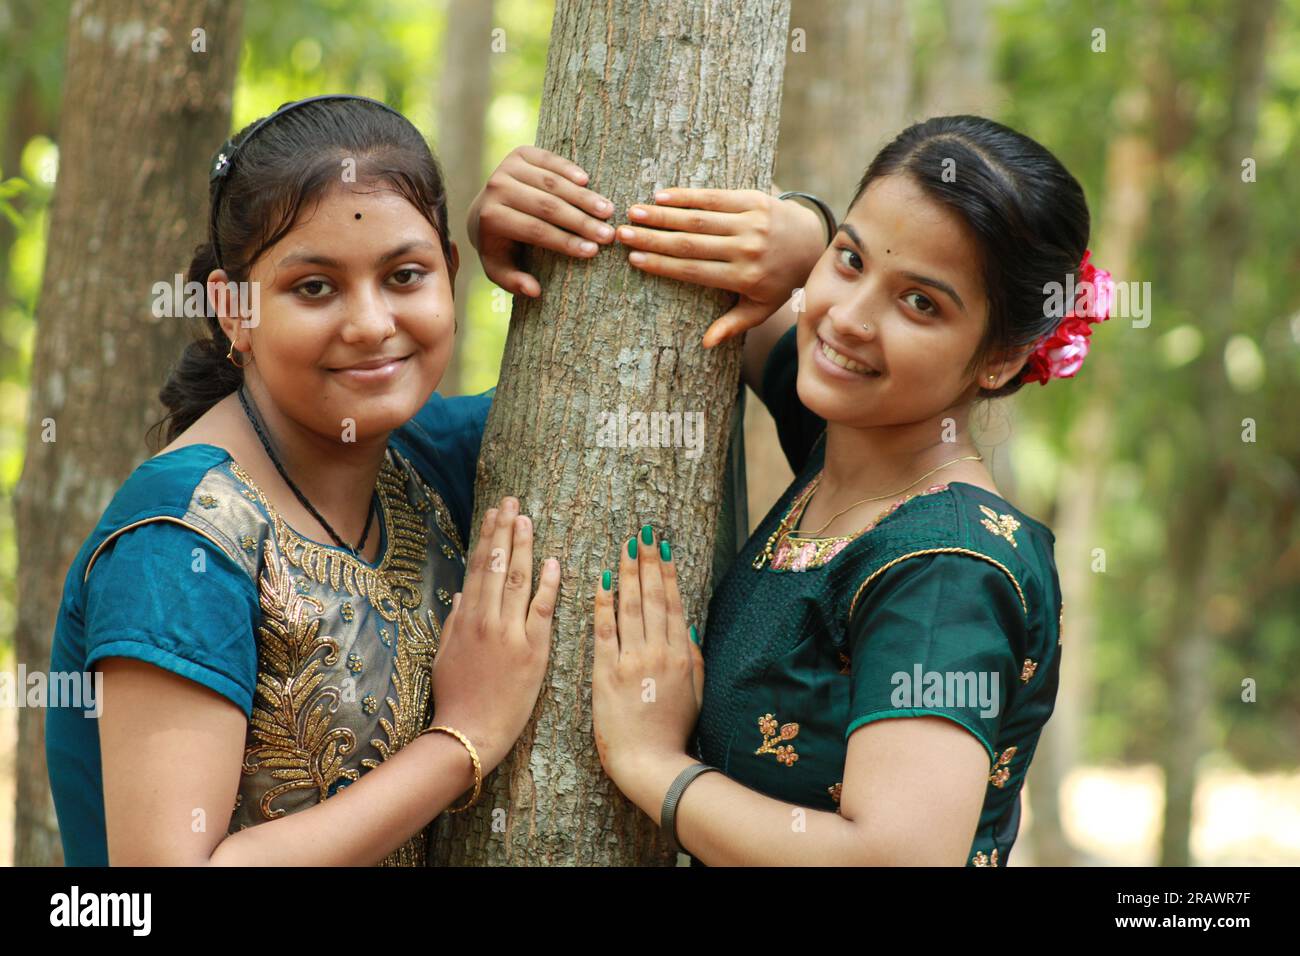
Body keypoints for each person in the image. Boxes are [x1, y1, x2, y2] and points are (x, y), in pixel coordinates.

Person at [44, 95, 567, 866]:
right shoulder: (180, 542)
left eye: (405, 274)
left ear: (451, 275)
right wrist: (467, 738)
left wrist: (796, 231)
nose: (370, 324)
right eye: (314, 288)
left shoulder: (428, 457)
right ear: (233, 310)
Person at [585, 115, 1109, 865]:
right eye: (852, 260)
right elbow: (721, 263)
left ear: (1000, 357)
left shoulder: (948, 571)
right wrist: (805, 225)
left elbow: (897, 858)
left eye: (921, 303)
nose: (850, 319)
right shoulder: (849, 446)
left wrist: (651, 766)